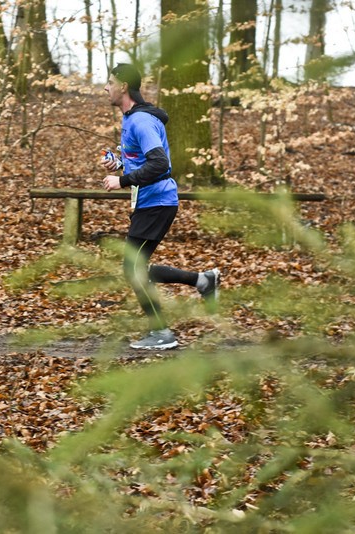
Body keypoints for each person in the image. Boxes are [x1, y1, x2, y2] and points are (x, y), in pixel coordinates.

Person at [101, 63, 219, 350]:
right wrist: (119, 164)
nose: (105, 87)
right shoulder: (131, 118)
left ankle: (162, 333)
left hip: (157, 202)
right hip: (150, 202)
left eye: (110, 82)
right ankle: (203, 281)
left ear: (123, 87)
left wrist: (123, 180)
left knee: (133, 269)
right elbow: (143, 160)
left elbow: (160, 163)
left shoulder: (141, 121)